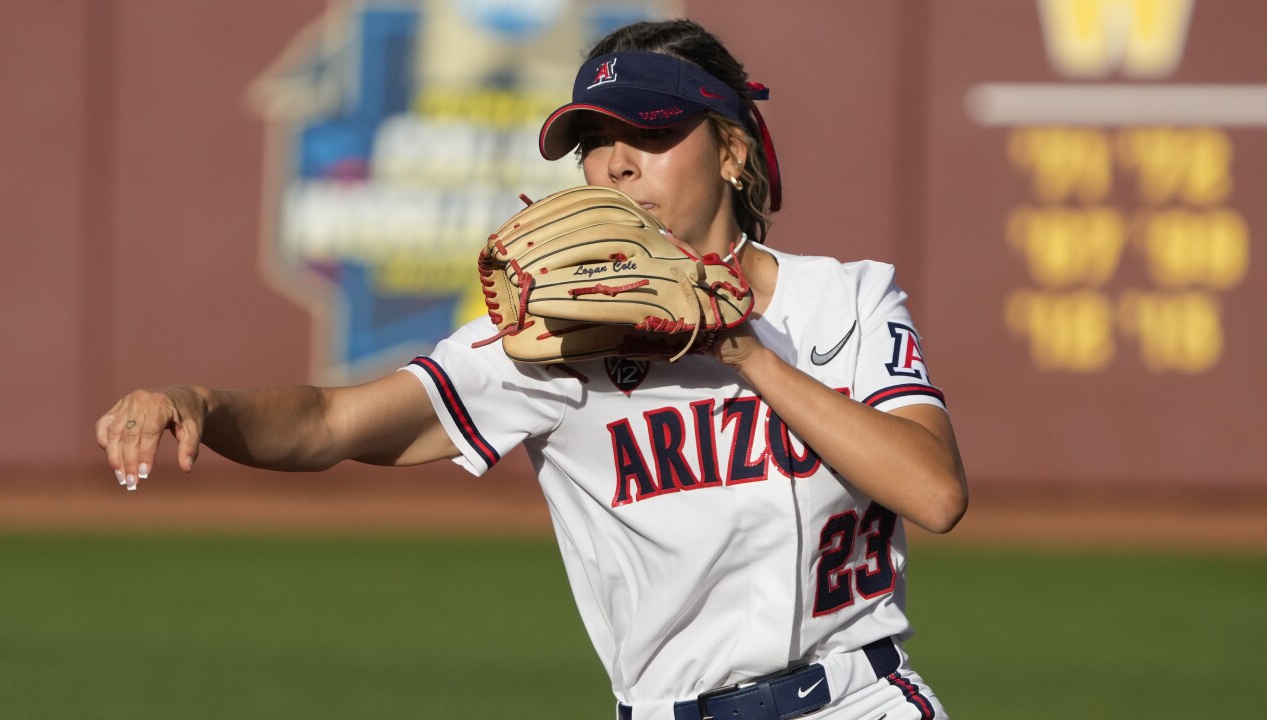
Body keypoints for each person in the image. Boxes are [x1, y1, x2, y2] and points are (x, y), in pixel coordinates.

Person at [97, 18, 966, 720]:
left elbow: (933, 494)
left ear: (732, 151)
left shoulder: (845, 299)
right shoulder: (549, 339)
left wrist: (738, 348)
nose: (617, 162)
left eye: (652, 133)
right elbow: (330, 424)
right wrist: (201, 402)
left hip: (857, 699)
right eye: (596, 140)